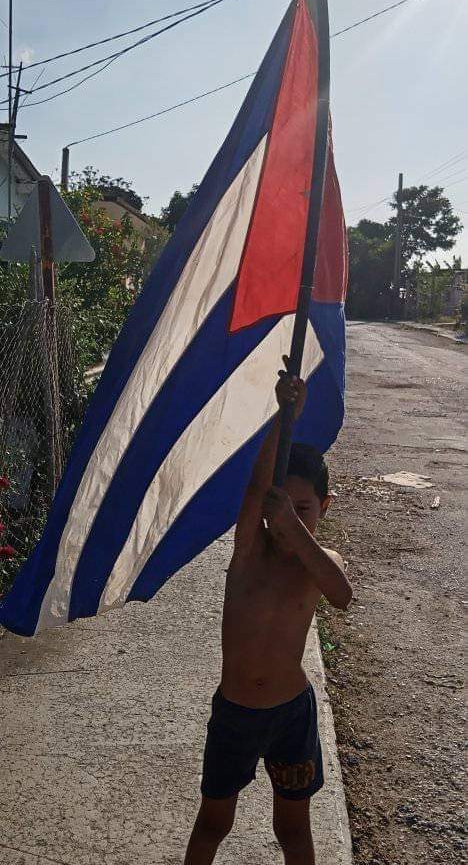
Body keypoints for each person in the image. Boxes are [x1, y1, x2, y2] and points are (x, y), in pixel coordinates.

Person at [184, 361, 352, 865]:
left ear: (325, 505)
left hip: (290, 717)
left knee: (293, 830)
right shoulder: (249, 552)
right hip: (235, 714)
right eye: (279, 509)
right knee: (214, 820)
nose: (285, 519)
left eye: (303, 509)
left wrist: (294, 529)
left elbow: (342, 594)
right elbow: (256, 487)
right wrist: (284, 417)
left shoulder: (320, 566)